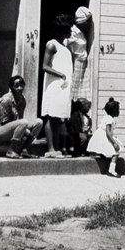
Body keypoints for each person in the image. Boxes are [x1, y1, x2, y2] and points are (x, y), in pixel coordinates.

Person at [39, 18, 74, 154]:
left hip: (62, 87)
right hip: (53, 85)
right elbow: (45, 66)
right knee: (49, 115)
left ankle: (57, 148)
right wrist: (60, 74)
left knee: (57, 116)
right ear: (62, 30)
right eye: (69, 29)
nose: (71, 31)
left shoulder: (64, 46)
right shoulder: (51, 45)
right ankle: (50, 149)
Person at [0, 75, 43, 158]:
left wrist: (24, 130)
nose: (20, 88)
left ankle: (23, 150)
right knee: (24, 122)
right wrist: (26, 131)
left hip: (12, 128)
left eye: (22, 85)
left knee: (39, 122)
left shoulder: (22, 99)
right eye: (16, 86)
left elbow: (19, 120)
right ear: (11, 87)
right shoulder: (6, 100)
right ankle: (11, 151)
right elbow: (5, 122)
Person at [88, 96, 124, 174]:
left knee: (103, 150)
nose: (119, 111)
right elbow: (108, 133)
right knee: (116, 151)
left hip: (100, 136)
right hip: (104, 136)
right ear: (114, 111)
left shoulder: (106, 117)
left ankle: (105, 161)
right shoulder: (110, 119)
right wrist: (114, 143)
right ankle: (111, 169)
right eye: (118, 110)